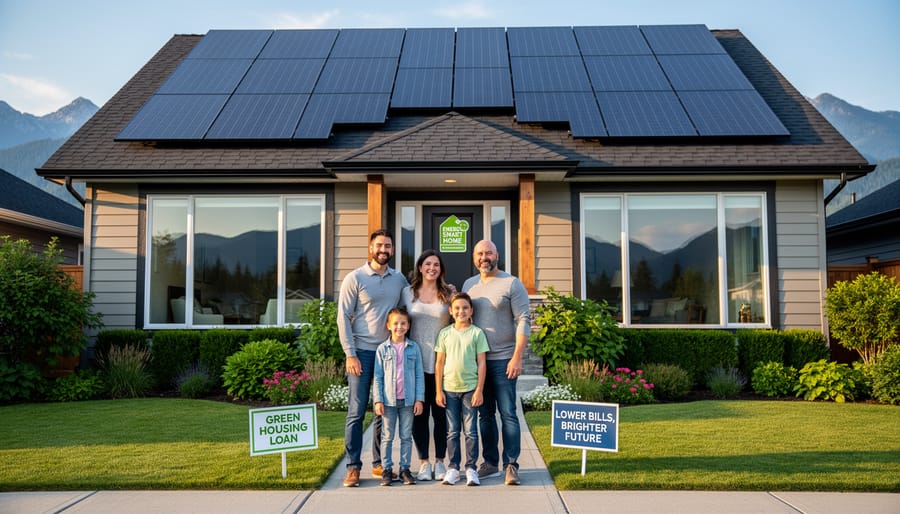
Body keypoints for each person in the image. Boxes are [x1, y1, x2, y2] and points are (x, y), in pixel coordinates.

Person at [338, 229, 409, 488]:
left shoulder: (398, 278)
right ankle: (353, 467)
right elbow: (343, 316)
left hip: (389, 355)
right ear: (370, 248)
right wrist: (350, 354)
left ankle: (378, 463)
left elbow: (412, 300)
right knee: (356, 412)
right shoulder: (354, 278)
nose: (383, 249)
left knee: (383, 410)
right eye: (379, 245)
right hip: (362, 353)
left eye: (388, 246)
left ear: (392, 249)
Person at [462, 239, 531, 486]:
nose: (484, 257)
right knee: (485, 415)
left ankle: (511, 465)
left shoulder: (512, 283)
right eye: (480, 253)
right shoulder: (469, 284)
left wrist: (517, 357)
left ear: (497, 254)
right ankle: (490, 463)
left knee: (508, 414)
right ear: (474, 257)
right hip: (477, 362)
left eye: (488, 252)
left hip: (504, 360)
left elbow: (523, 320)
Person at [401, 249, 453, 482]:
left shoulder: (449, 293)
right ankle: (423, 462)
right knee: (419, 415)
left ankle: (440, 462)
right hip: (414, 364)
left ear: (441, 270)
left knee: (441, 414)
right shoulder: (406, 293)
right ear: (420, 267)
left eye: (436, 265)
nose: (432, 268)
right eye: (427, 264)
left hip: (443, 363)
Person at [435, 292, 488, 486]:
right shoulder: (445, 334)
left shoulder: (477, 333)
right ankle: (453, 468)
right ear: (450, 311)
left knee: (471, 431)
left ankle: (471, 468)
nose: (461, 311)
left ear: (471, 310)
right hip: (449, 389)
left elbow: (482, 363)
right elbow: (439, 363)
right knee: (452, 431)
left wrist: (479, 390)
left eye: (465, 307)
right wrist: (438, 390)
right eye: (457, 308)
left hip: (470, 389)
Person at [373, 307, 425, 486]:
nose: (399, 327)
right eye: (395, 323)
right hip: (388, 401)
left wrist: (419, 398)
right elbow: (378, 377)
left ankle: (405, 469)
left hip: (408, 401)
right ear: (388, 325)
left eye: (403, 323)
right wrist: (378, 400)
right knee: (387, 436)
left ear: (408, 325)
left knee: (405, 436)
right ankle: (387, 469)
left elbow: (419, 375)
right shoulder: (382, 349)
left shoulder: (413, 348)